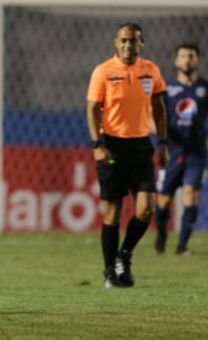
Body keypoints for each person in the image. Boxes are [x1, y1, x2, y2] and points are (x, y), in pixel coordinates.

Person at [86, 23, 168, 289]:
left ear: (141, 43)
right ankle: (110, 272)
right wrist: (97, 144)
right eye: (123, 40)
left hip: (141, 146)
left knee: (146, 210)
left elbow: (160, 109)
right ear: (115, 42)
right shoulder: (103, 71)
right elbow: (92, 109)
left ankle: (125, 254)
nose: (127, 45)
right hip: (112, 145)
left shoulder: (150, 70)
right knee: (113, 211)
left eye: (133, 40)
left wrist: (164, 143)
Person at [154, 43, 208, 256]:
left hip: (196, 152)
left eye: (191, 56)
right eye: (183, 56)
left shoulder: (205, 88)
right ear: (176, 61)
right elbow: (154, 116)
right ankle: (161, 236)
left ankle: (182, 246)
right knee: (164, 199)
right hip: (172, 152)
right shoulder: (166, 87)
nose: (187, 60)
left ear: (197, 60)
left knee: (191, 194)